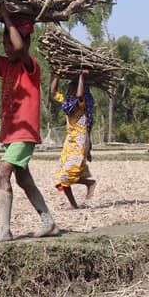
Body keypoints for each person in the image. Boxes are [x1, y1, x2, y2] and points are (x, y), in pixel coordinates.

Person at [0, 8, 59, 242]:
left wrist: (5, 17)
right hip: (11, 134)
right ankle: (49, 223)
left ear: (24, 42)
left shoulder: (29, 66)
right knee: (24, 180)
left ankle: (4, 230)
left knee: (2, 172)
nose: (6, 47)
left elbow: (21, 50)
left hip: (25, 133)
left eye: (9, 42)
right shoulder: (6, 66)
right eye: (3, 42)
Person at [50, 69, 98, 209]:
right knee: (60, 176)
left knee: (66, 175)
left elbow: (79, 94)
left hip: (81, 142)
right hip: (70, 142)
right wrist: (57, 75)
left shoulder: (81, 104)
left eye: (73, 86)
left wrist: (81, 76)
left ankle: (77, 200)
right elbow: (53, 92)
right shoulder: (67, 103)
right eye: (70, 87)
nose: (70, 89)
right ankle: (87, 186)